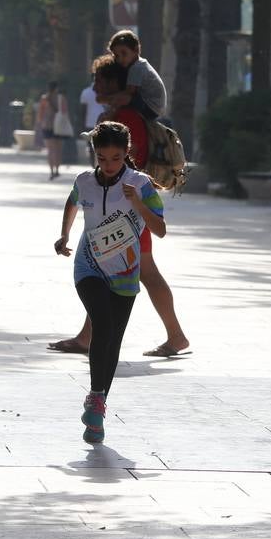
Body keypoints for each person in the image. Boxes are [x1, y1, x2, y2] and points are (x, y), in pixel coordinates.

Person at [47, 54, 190, 358]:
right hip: (116, 209)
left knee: (143, 272)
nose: (95, 86)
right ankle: (89, 336)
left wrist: (132, 198)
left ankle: (175, 335)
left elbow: (134, 163)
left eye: (99, 80)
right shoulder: (117, 114)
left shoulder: (124, 118)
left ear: (115, 83)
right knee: (108, 267)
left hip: (128, 211)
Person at [54, 121, 167, 444]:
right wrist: (64, 235)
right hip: (88, 266)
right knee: (102, 325)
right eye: (102, 158)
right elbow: (72, 201)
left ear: (127, 152)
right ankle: (95, 396)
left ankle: (99, 403)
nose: (108, 165)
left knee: (113, 338)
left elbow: (160, 230)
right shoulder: (85, 181)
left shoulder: (140, 184)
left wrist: (138, 203)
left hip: (125, 271)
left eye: (116, 158)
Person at [105, 30, 167, 122]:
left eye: (124, 53)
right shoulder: (137, 64)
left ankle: (110, 119)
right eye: (117, 56)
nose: (120, 59)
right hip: (152, 106)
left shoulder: (137, 67)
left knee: (125, 98)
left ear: (136, 50)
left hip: (152, 108)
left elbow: (128, 92)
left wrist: (108, 99)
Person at [37, 81, 73, 181]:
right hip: (59, 127)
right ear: (56, 88)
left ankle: (51, 171)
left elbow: (40, 114)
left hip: (47, 126)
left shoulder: (44, 98)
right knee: (58, 149)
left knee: (50, 150)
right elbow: (65, 113)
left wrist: (40, 124)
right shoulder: (62, 98)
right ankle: (57, 170)